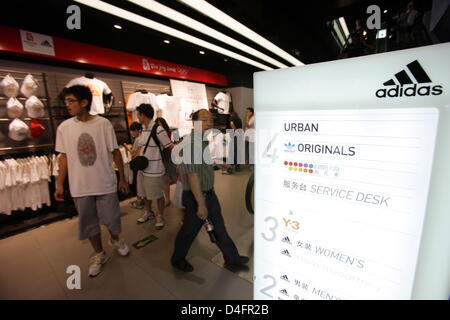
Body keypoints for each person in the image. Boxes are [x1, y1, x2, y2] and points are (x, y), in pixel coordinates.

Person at [54, 85, 130, 278]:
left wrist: (122, 178)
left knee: (112, 220)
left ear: (84, 102)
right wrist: (59, 184)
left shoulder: (103, 124)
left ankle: (115, 239)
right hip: (80, 185)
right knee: (89, 224)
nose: (67, 105)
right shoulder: (64, 128)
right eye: (66, 101)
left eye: (71, 101)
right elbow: (63, 157)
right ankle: (99, 254)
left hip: (104, 181)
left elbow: (115, 152)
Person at [171, 109, 249, 272]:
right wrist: (201, 204)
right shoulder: (192, 144)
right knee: (188, 232)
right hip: (195, 197)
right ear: (195, 122)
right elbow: (192, 176)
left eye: (211, 120)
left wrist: (217, 164)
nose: (209, 123)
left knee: (219, 227)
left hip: (208, 194)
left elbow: (201, 165)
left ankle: (232, 258)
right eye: (205, 120)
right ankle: (177, 259)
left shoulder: (202, 141)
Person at [135, 104, 173, 229]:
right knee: (144, 193)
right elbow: (140, 146)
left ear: (143, 115)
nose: (137, 116)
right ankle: (149, 212)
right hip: (142, 169)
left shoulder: (158, 129)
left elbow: (169, 146)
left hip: (155, 169)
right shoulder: (141, 129)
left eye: (138, 114)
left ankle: (160, 215)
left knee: (157, 194)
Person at [124, 121, 146, 209]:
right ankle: (142, 200)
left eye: (132, 131)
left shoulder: (138, 139)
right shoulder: (143, 136)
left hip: (139, 164)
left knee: (139, 183)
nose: (132, 133)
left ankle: (139, 201)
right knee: (143, 183)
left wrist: (127, 148)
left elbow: (134, 154)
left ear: (136, 130)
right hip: (144, 163)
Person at [155, 117, 173, 207]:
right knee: (165, 180)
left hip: (169, 157)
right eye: (157, 124)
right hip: (162, 158)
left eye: (160, 123)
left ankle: (182, 196)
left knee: (177, 178)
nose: (159, 126)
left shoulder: (169, 133)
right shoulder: (156, 134)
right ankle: (168, 199)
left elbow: (170, 145)